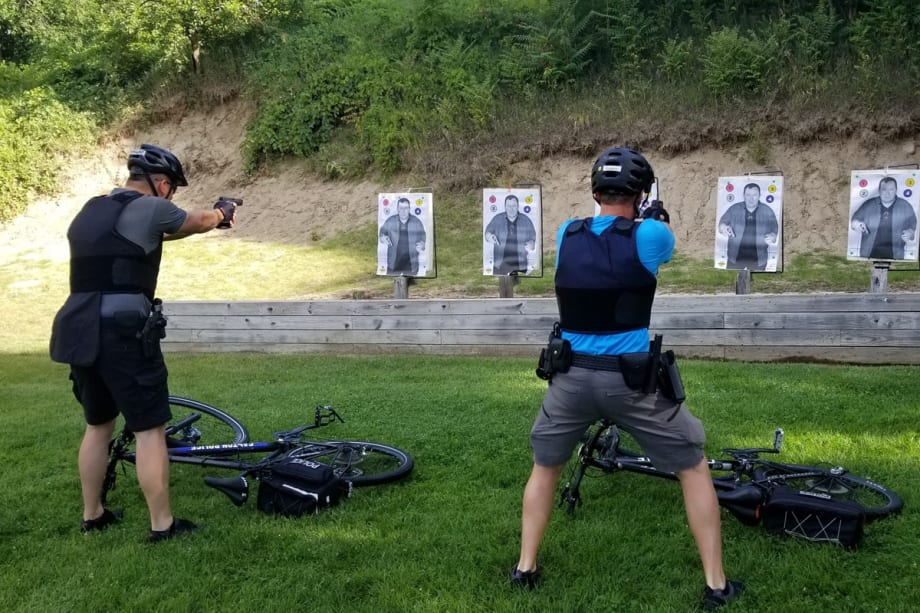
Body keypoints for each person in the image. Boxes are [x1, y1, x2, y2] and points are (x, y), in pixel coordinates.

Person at [511, 147, 743, 610]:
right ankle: (717, 584)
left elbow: (603, 246)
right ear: (639, 194)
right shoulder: (651, 234)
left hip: (570, 380)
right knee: (693, 465)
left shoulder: (566, 232)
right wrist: (652, 217)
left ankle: (525, 568)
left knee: (546, 468)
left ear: (595, 191)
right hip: (632, 384)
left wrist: (639, 216)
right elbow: (660, 245)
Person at [50, 144, 238, 542]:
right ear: (162, 183)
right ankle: (162, 525)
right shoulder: (152, 207)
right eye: (171, 188)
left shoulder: (92, 210)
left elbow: (148, 240)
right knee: (149, 427)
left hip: (79, 325)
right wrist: (222, 212)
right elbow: (197, 221)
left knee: (98, 425)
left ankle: (93, 514)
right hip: (123, 328)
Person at [850, 176, 917, 260]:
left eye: (891, 190)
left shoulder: (905, 205)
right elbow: (855, 219)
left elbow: (913, 224)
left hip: (896, 254)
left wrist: (910, 232)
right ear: (879, 191)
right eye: (884, 190)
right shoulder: (868, 204)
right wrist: (856, 224)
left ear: (896, 190)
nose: (887, 193)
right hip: (868, 253)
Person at [717, 183, 778, 271]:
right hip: (735, 257)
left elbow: (774, 227)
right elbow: (722, 223)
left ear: (759, 196)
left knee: (756, 282)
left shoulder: (767, 211)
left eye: (754, 195)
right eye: (748, 195)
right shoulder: (734, 208)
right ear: (744, 195)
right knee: (734, 281)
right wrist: (723, 228)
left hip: (759, 258)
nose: (751, 199)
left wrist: (773, 235)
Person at [485, 194, 537, 274]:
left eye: (514, 206)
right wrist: (489, 237)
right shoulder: (497, 219)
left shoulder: (526, 221)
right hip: (500, 264)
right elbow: (487, 232)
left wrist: (531, 243)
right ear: (505, 207)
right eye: (508, 206)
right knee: (503, 285)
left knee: (521, 286)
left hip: (520, 264)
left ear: (518, 206)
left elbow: (533, 238)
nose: (511, 209)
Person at [378, 197, 427, 275]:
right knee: (394, 285)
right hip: (393, 264)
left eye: (406, 208)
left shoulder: (417, 222)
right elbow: (382, 232)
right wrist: (382, 237)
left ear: (409, 208)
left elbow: (423, 236)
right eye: (401, 208)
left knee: (412, 285)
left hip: (411, 264)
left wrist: (422, 244)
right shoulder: (390, 221)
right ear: (397, 208)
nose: (403, 211)